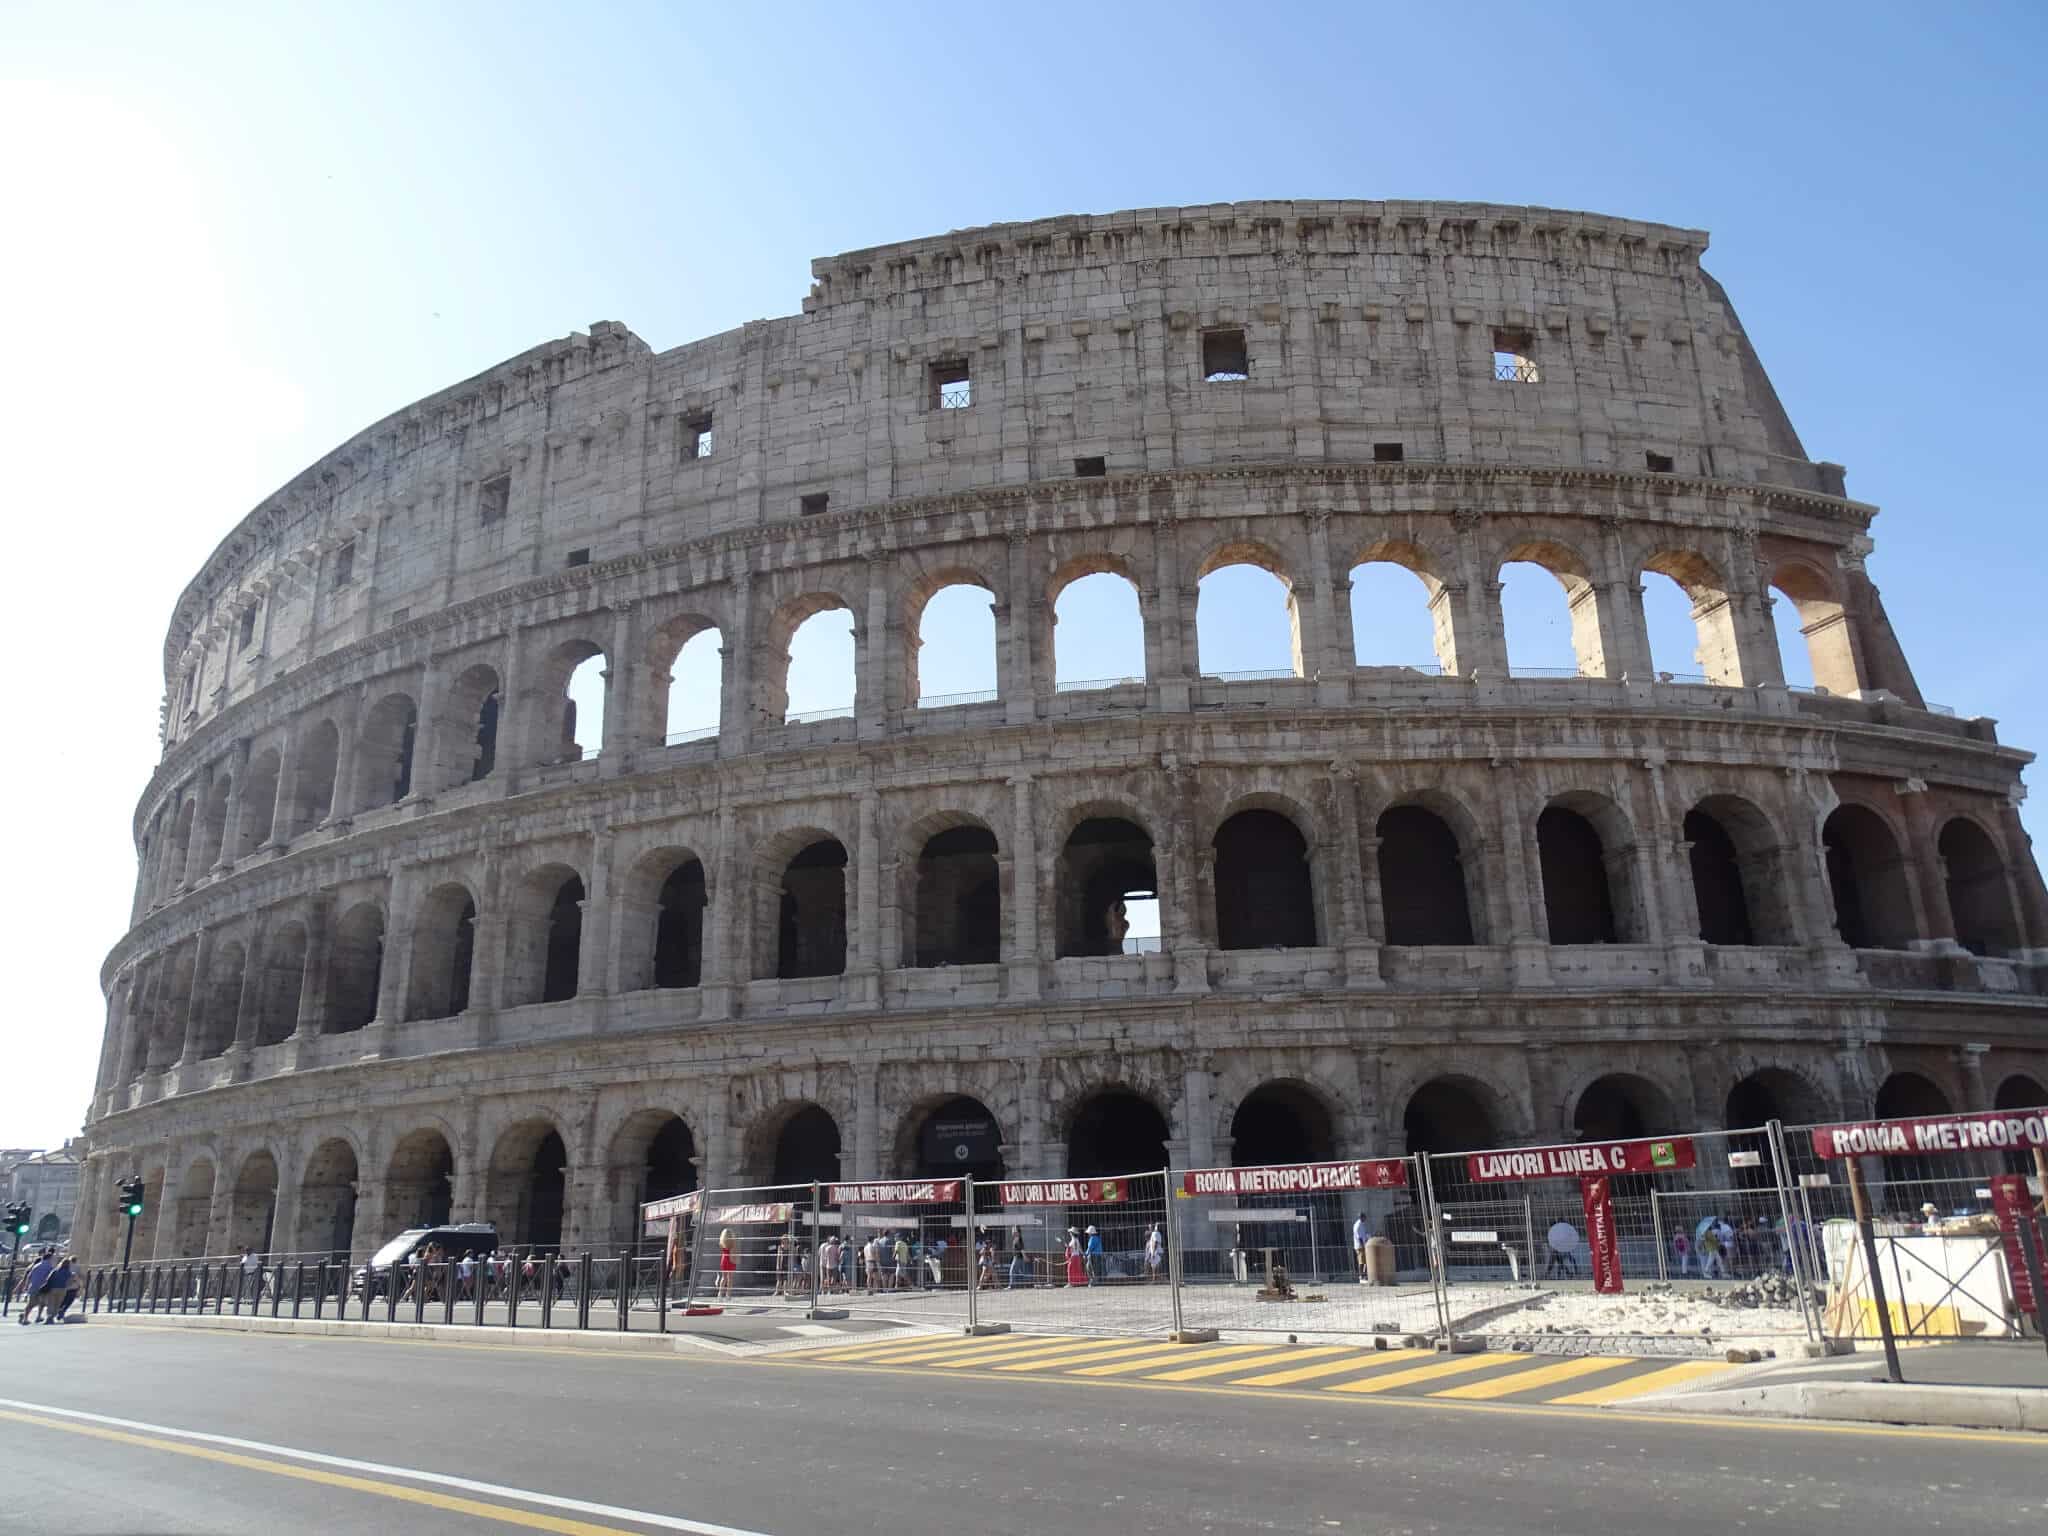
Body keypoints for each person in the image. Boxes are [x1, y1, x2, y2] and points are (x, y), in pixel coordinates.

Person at [16, 1250, 54, 1325]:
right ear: (49, 1259)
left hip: (33, 1286)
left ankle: (25, 1318)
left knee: (30, 1303)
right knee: (42, 1303)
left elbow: (29, 1276)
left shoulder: (36, 1266)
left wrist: (26, 1286)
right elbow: (50, 1278)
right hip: (43, 1288)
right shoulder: (50, 1267)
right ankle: (38, 1316)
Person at [715, 1229, 735, 1299]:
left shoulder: (721, 1242)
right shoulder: (732, 1242)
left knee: (724, 1278)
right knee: (730, 1278)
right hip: (730, 1259)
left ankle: (720, 1294)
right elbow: (733, 1251)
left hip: (724, 1259)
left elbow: (722, 1248)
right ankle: (728, 1295)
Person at [1352, 1213, 1370, 1282]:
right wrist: (1363, 1245)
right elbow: (1359, 1237)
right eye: (1365, 1217)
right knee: (1361, 1261)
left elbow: (1364, 1234)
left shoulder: (1362, 1224)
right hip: (1360, 1246)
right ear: (1362, 1217)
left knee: (1365, 1261)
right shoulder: (1357, 1225)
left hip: (1364, 1244)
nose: (1365, 1219)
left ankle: (1364, 1275)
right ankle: (1361, 1276)